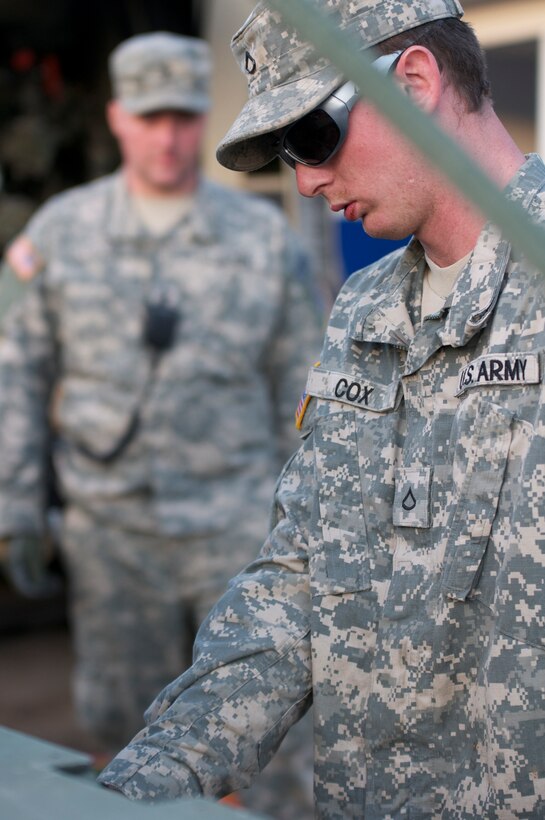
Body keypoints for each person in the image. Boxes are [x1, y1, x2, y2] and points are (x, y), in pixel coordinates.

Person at [98, 1, 545, 817]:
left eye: (312, 135)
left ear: (413, 82)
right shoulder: (365, 310)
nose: (303, 180)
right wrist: (152, 781)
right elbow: (300, 573)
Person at [0, 29, 322, 772]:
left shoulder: (261, 236)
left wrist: (307, 523)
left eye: (182, 116)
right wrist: (17, 507)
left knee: (267, 728)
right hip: (112, 535)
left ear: (203, 113)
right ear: (117, 118)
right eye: (150, 117)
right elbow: (18, 374)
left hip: (236, 525)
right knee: (122, 729)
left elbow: (301, 384)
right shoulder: (59, 232)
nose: (168, 136)